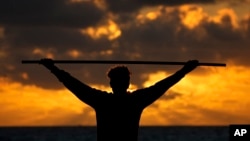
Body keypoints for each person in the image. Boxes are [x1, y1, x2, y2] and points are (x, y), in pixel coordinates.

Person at [39, 58, 199, 141]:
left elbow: (73, 84)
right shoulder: (136, 100)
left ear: (110, 83)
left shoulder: (101, 100)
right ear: (128, 83)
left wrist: (52, 68)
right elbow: (163, 85)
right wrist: (185, 70)